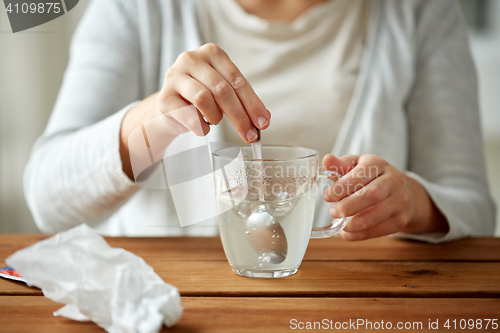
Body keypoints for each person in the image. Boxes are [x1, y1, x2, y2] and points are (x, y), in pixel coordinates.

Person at [24, 0, 496, 242]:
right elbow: (48, 198)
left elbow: (475, 207)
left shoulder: (420, 12)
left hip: (352, 312)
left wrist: (411, 201)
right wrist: (154, 120)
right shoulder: (137, 8)